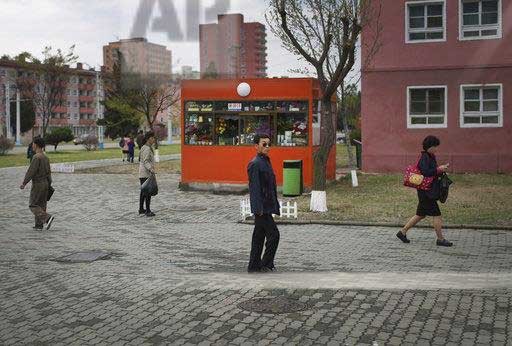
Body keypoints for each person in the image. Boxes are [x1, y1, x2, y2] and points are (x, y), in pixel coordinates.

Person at [397, 135, 452, 247]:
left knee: (420, 214)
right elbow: (426, 172)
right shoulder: (425, 158)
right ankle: (440, 239)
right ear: (430, 147)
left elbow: (432, 172)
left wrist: (441, 169)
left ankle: (402, 232)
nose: (437, 149)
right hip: (426, 192)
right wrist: (438, 169)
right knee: (437, 214)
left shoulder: (430, 156)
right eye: (435, 146)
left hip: (425, 191)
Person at [247, 134, 280, 273]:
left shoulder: (265, 161)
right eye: (264, 144)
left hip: (266, 205)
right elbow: (254, 188)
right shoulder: (255, 163)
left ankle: (254, 266)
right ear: (256, 146)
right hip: (262, 208)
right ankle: (266, 264)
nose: (267, 147)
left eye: (268, 144)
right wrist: (257, 208)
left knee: (259, 236)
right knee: (274, 235)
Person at [19, 136, 54, 230]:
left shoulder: (36, 157)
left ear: (36, 145)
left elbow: (31, 172)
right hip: (46, 183)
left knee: (33, 204)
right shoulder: (45, 157)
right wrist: (49, 184)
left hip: (38, 184)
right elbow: (49, 173)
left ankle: (47, 218)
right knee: (41, 205)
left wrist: (24, 183)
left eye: (33, 144)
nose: (32, 145)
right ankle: (38, 225)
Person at [139, 131, 156, 217]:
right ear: (149, 138)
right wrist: (151, 169)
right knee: (148, 192)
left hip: (142, 173)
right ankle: (148, 211)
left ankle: (141, 209)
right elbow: (145, 161)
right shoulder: (147, 148)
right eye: (153, 138)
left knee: (143, 192)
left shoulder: (144, 147)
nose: (154, 140)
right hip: (146, 173)